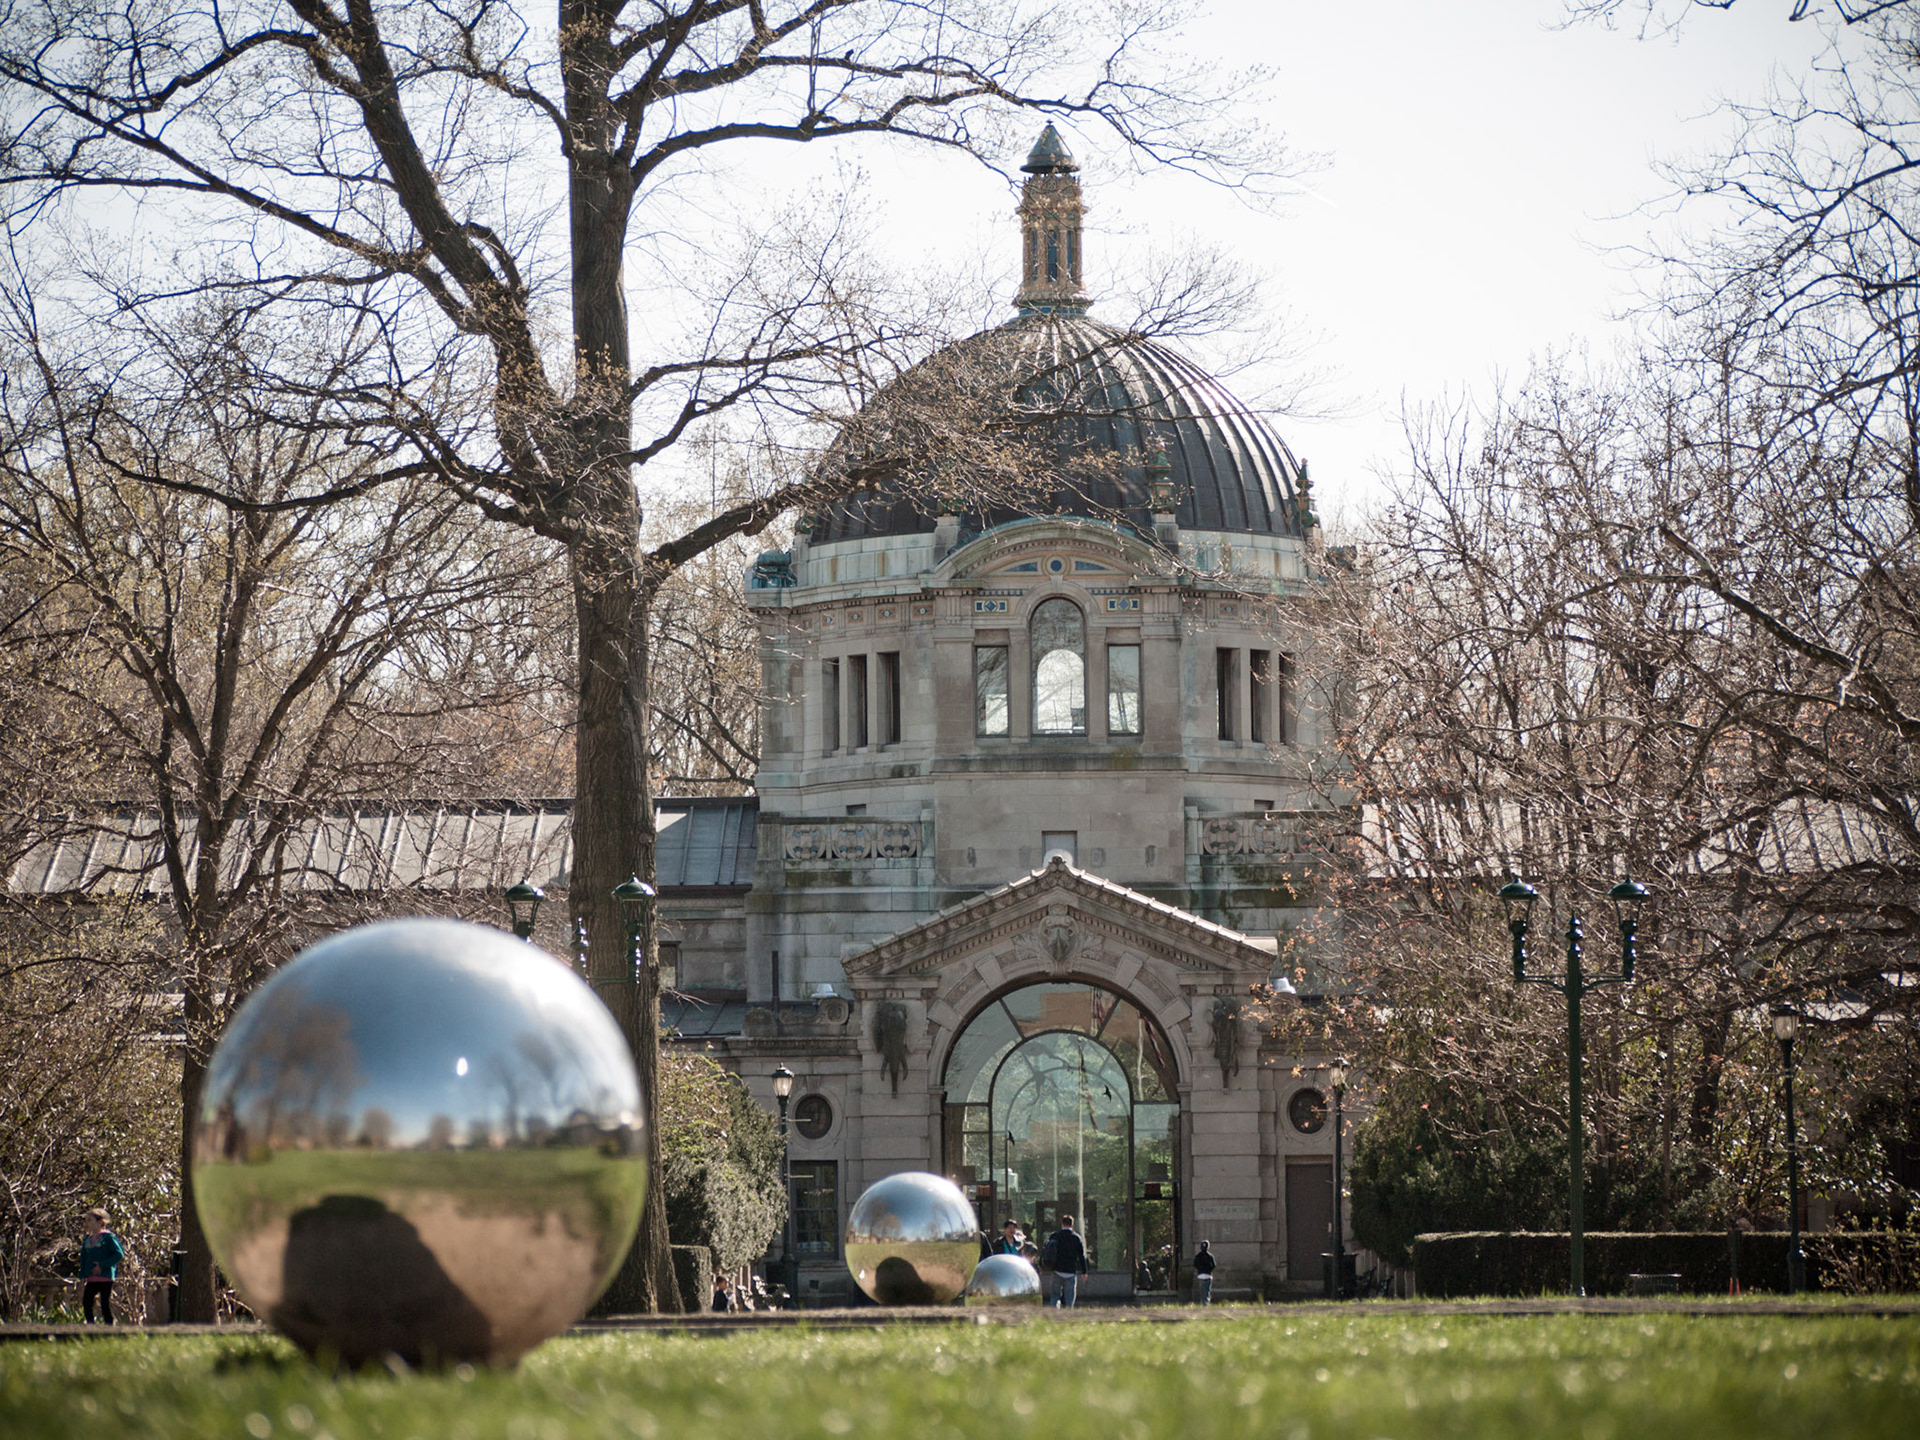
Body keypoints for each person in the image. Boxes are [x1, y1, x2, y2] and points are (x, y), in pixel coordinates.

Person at [78, 1209, 124, 1325]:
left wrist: (102, 1265)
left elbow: (119, 1254)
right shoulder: (87, 1240)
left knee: (105, 1304)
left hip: (105, 1277)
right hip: (91, 1278)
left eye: (90, 1220)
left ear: (100, 1223)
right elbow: (83, 1258)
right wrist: (83, 1275)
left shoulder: (108, 1238)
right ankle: (91, 1327)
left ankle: (109, 1328)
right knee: (87, 1303)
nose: (87, 1223)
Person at [1042, 1214, 1088, 1309]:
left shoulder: (1055, 1236)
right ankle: (1068, 1314)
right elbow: (1081, 1256)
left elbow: (1047, 1251)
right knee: (1069, 1297)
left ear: (1062, 1224)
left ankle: (1054, 1311)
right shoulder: (1076, 1238)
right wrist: (1084, 1271)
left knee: (1055, 1295)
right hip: (1070, 1272)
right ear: (1072, 1225)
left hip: (1057, 1270)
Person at [1192, 1239, 1217, 1305]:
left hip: (1200, 1275)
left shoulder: (1198, 1256)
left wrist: (1200, 1270)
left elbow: (1195, 1264)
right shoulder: (1210, 1256)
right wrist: (1209, 1270)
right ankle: (1206, 1302)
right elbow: (1214, 1265)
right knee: (1207, 1290)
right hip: (1208, 1275)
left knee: (1202, 1290)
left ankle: (1203, 1301)